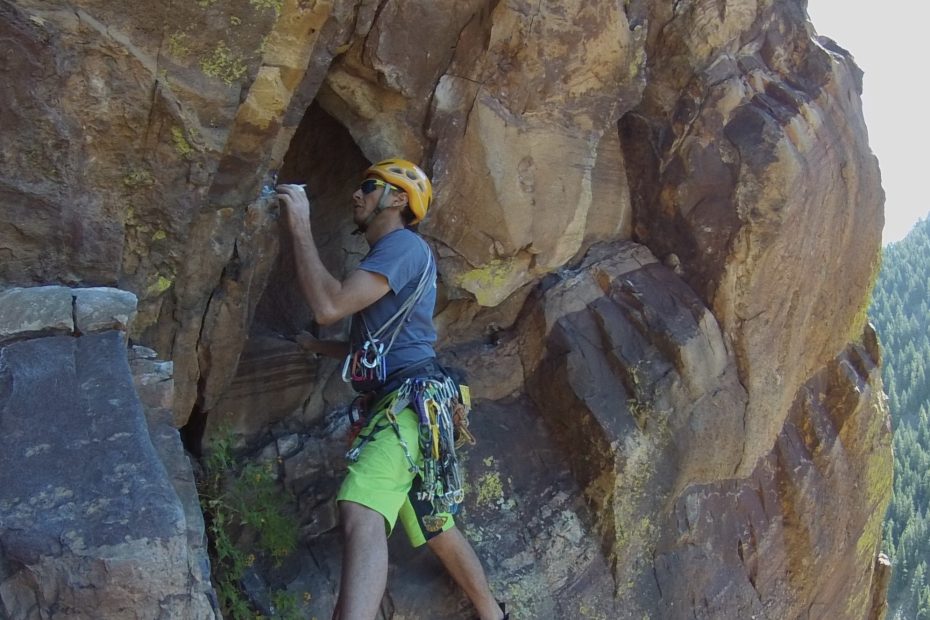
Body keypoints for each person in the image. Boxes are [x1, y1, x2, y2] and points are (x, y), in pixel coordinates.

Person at [277, 159, 507, 620]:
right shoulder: (398, 255)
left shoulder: (403, 246)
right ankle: (492, 614)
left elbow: (329, 304)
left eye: (369, 187)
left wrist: (299, 223)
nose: (356, 196)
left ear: (398, 199)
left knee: (361, 506)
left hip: (409, 402)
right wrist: (315, 347)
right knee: (435, 524)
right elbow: (374, 346)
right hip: (417, 399)